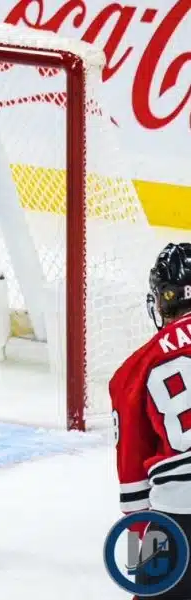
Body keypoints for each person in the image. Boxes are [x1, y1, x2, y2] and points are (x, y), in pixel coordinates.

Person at [112, 242, 191, 599]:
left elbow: (133, 483)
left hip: (177, 515)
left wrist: (142, 566)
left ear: (161, 301)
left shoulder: (134, 369)